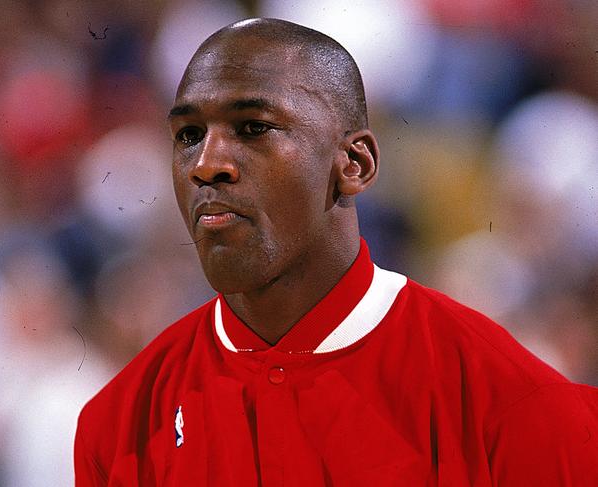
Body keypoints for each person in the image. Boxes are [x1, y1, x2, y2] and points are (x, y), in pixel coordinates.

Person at [74, 18, 598, 486]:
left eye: (253, 127)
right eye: (189, 134)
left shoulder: (514, 403)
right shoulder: (118, 425)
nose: (206, 163)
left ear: (355, 164)